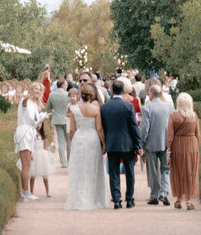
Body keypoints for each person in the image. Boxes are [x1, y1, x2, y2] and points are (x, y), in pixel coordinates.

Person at [65, 82, 108, 211]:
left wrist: (74, 141)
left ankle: (78, 199)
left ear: (80, 95)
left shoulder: (74, 109)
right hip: (92, 139)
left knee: (78, 169)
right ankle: (94, 198)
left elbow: (72, 130)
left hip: (79, 138)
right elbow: (99, 129)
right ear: (91, 96)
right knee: (92, 167)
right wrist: (104, 144)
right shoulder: (96, 109)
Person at [99, 80, 141, 210]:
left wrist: (104, 143)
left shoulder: (104, 107)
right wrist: (138, 145)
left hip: (111, 143)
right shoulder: (128, 106)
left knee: (114, 173)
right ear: (123, 91)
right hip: (127, 143)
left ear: (111, 90)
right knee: (129, 172)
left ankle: (117, 200)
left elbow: (103, 128)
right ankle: (129, 199)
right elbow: (134, 127)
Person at [140, 80, 173, 205]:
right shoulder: (170, 107)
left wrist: (141, 143)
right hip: (165, 142)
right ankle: (163, 192)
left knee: (153, 170)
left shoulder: (147, 108)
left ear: (151, 94)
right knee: (165, 169)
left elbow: (145, 128)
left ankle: (154, 195)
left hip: (151, 143)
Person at [168, 91, 201, 209]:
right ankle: (189, 201)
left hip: (177, 145)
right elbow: (198, 135)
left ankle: (178, 200)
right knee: (190, 172)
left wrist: (169, 151)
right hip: (192, 145)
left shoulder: (173, 115)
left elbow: (170, 136)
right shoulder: (194, 116)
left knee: (177, 171)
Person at [14, 87, 43, 200]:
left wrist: (41, 120)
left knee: (28, 164)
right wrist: (26, 98)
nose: (38, 91)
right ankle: (26, 193)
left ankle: (26, 192)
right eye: (35, 89)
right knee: (25, 164)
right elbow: (24, 104)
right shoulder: (25, 102)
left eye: (39, 90)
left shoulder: (35, 104)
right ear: (30, 90)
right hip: (24, 133)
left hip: (30, 134)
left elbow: (36, 123)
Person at [29, 115, 57, 197]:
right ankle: (31, 191)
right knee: (33, 175)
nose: (39, 126)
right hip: (34, 153)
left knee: (45, 175)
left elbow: (45, 146)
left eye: (40, 124)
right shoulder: (32, 134)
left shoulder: (43, 135)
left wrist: (49, 154)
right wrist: (30, 153)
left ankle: (47, 192)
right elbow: (30, 145)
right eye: (37, 124)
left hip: (42, 154)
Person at [47, 78, 71, 167]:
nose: (67, 85)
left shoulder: (52, 95)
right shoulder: (68, 95)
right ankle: (69, 161)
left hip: (57, 119)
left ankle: (63, 163)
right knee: (69, 141)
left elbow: (48, 107)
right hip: (67, 119)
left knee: (60, 142)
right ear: (63, 85)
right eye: (66, 84)